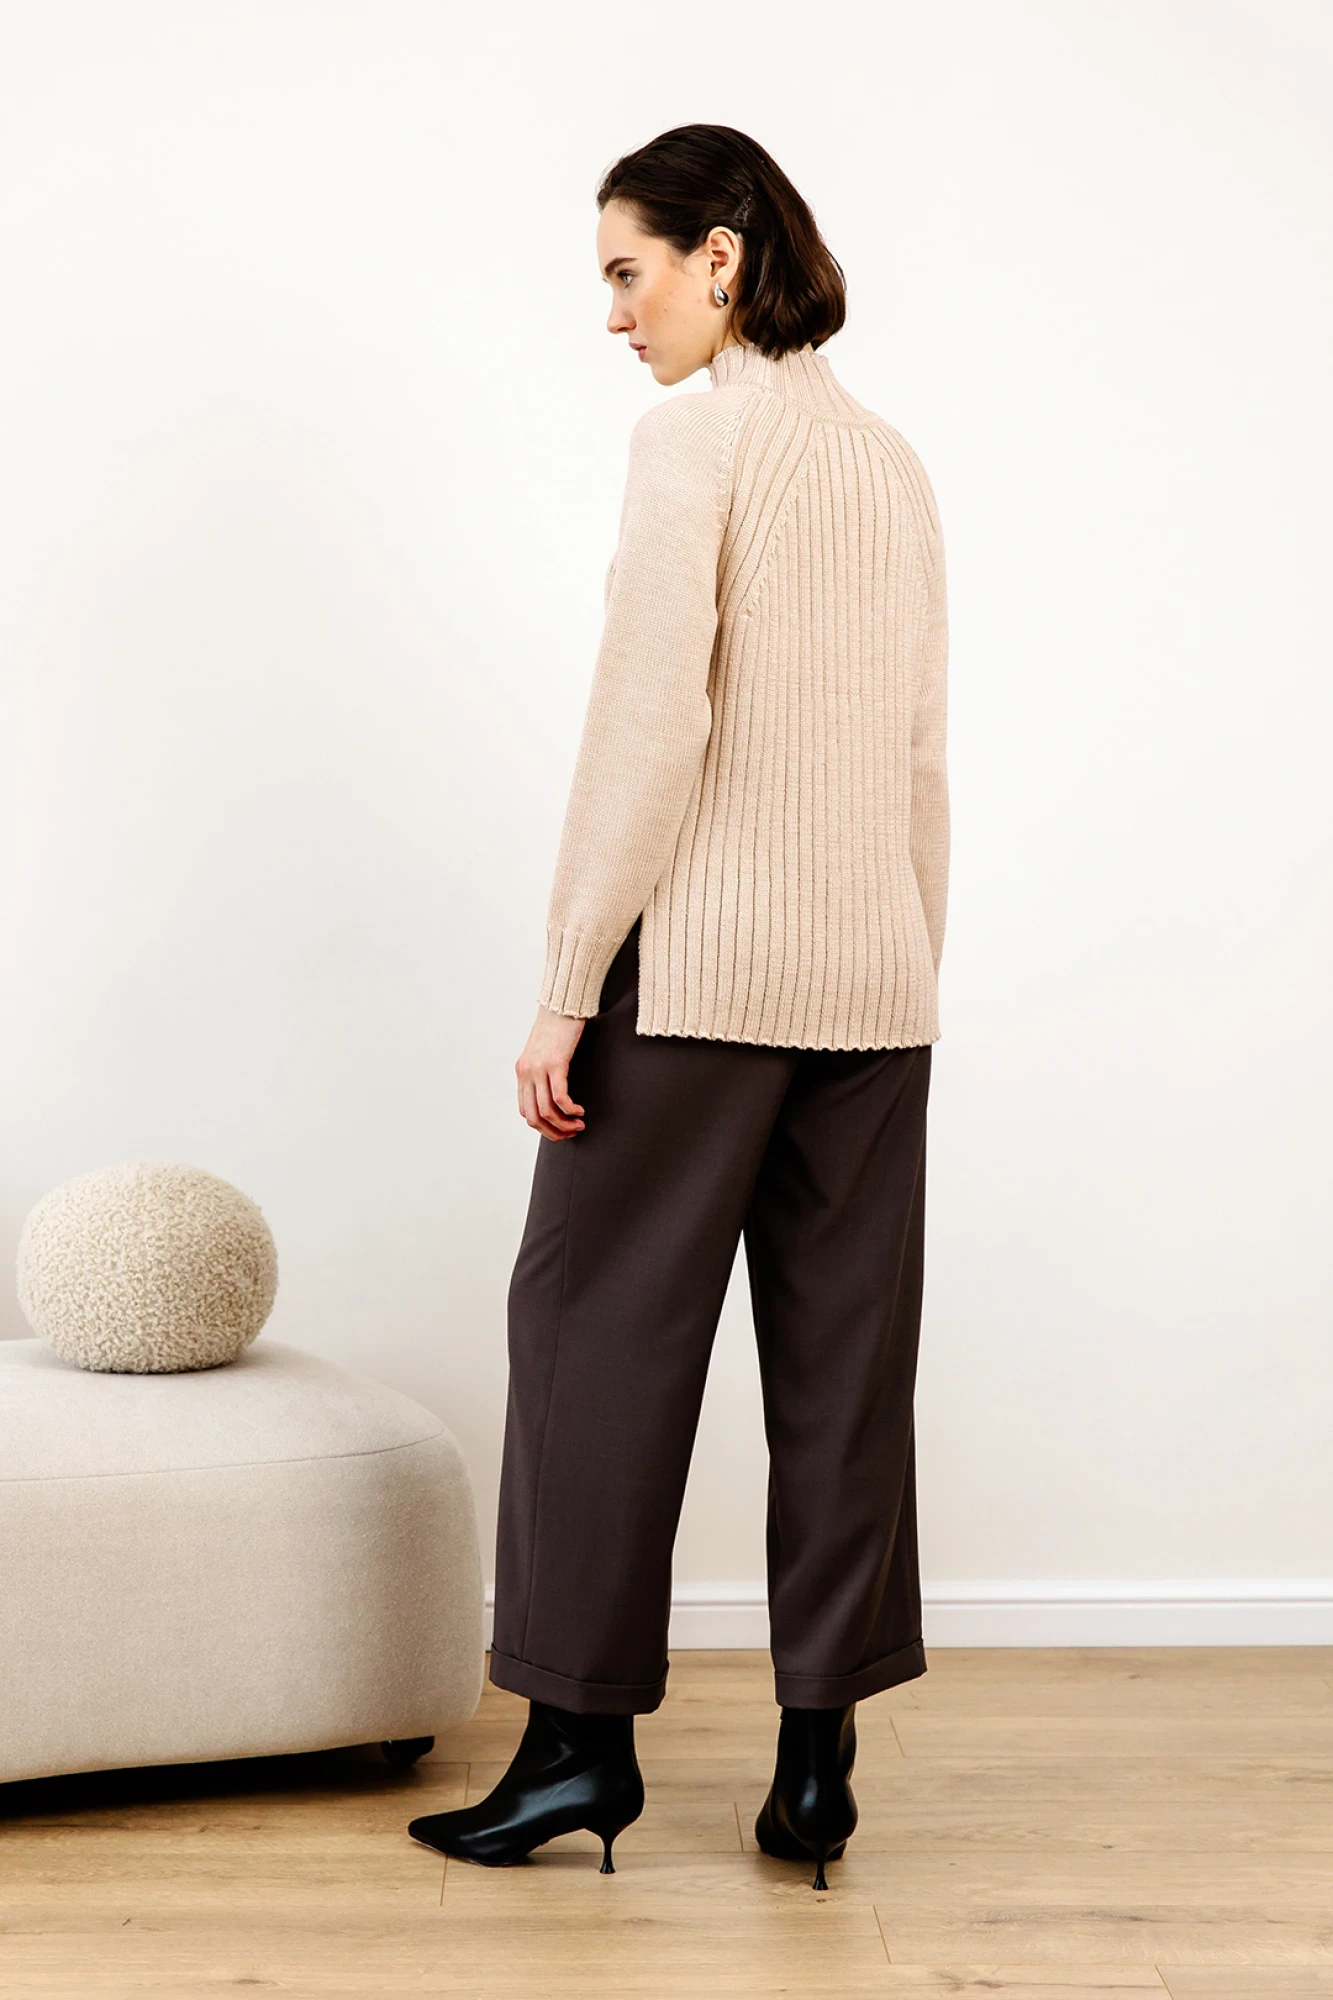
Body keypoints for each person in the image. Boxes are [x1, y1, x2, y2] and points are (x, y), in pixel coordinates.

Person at [409, 122, 949, 1892]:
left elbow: (649, 729)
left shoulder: (693, 444)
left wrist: (569, 985)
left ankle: (577, 1749)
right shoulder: (891, 467)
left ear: (723, 258)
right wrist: (910, 959)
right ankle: (818, 1771)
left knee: (592, 1335)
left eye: (628, 273)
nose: (615, 315)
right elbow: (921, 756)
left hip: (702, 980)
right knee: (846, 1370)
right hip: (876, 988)